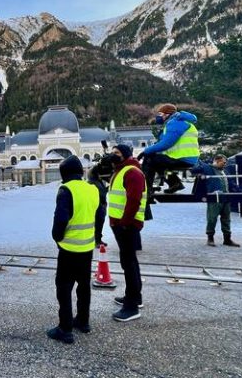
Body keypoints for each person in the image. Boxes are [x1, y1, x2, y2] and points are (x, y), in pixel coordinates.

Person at [46, 156, 103, 344]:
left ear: (64, 174)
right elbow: (100, 214)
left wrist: (57, 237)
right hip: (87, 247)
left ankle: (65, 328)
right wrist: (96, 236)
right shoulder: (92, 189)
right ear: (81, 172)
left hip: (69, 249)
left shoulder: (65, 190)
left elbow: (60, 220)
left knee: (64, 287)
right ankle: (83, 322)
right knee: (84, 286)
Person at [108, 144, 147, 322]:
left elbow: (134, 200)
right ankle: (134, 297)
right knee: (129, 261)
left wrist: (124, 223)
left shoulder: (131, 172)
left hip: (127, 225)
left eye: (117, 153)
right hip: (122, 224)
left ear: (126, 155)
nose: (113, 155)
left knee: (129, 263)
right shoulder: (122, 170)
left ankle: (131, 307)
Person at [138, 103, 200, 195]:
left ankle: (146, 189)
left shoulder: (176, 123)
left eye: (160, 114)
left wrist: (145, 151)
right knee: (159, 161)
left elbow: (165, 144)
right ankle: (175, 183)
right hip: (186, 157)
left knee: (150, 159)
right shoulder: (177, 122)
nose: (159, 117)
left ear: (167, 114)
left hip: (183, 158)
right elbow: (161, 142)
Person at [190, 154, 239, 247]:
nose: (225, 164)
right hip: (213, 198)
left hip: (226, 198)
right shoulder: (208, 168)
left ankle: (227, 239)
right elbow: (194, 170)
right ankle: (210, 238)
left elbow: (231, 183)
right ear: (217, 161)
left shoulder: (225, 171)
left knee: (226, 219)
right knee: (212, 218)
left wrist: (239, 192)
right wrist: (200, 164)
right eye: (223, 162)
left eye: (225, 163)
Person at [87, 164, 108, 247]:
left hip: (100, 206)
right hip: (98, 207)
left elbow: (102, 192)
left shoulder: (97, 182)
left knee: (99, 224)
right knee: (97, 224)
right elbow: (101, 194)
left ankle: (98, 240)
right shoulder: (93, 182)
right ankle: (97, 241)